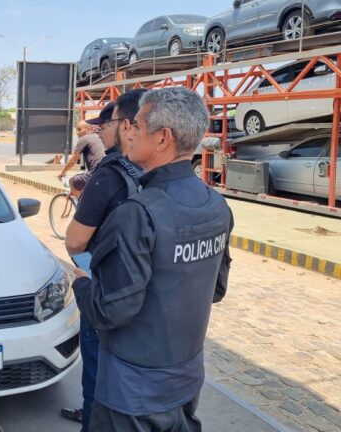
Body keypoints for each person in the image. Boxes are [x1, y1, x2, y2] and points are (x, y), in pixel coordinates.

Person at [73, 87, 233, 431]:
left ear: (162, 138)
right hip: (186, 378)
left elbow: (112, 310)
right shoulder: (216, 205)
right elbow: (216, 290)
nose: (128, 131)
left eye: (138, 124)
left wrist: (81, 284)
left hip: (132, 394)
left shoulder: (138, 214)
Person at [61, 90, 147, 430]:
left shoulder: (108, 174)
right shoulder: (149, 172)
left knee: (95, 377)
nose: (99, 130)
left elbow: (74, 240)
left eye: (105, 124)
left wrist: (84, 274)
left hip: (102, 290)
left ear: (126, 127)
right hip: (138, 295)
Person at [57, 120, 106, 199]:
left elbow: (73, 160)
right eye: (76, 129)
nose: (77, 132)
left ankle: (81, 208)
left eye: (79, 129)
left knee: (72, 181)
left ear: (88, 129)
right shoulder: (98, 137)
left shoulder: (84, 139)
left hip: (95, 173)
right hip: (104, 171)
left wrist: (62, 172)